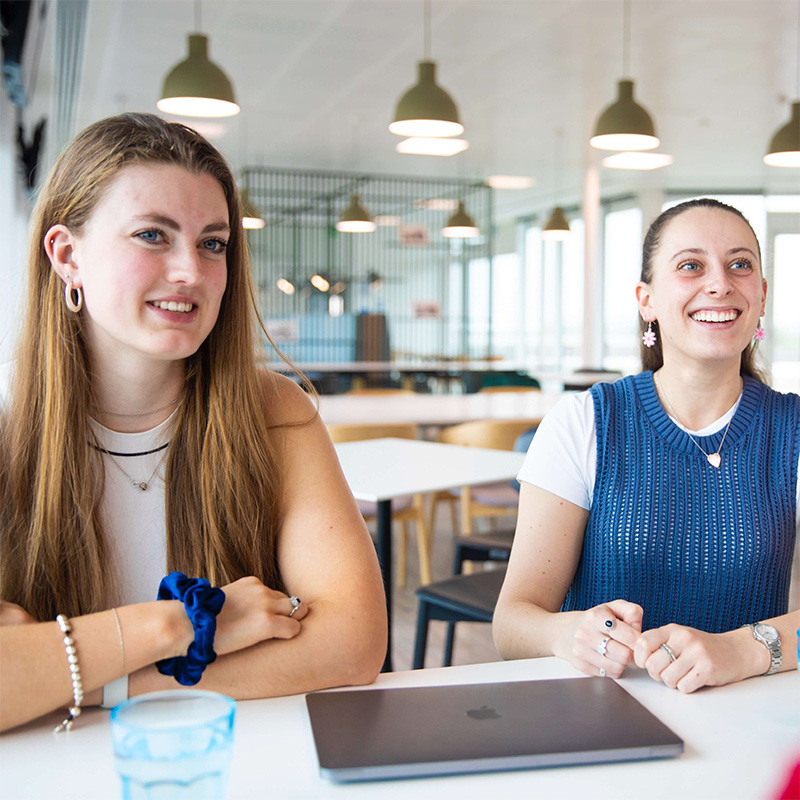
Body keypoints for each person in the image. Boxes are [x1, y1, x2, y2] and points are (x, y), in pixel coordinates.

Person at [0, 113, 387, 733]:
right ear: (67, 256)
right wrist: (182, 625)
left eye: (213, 243)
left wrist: (75, 676)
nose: (191, 272)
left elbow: (353, 642)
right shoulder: (7, 429)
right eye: (152, 235)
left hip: (235, 761)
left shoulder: (274, 413)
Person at [493, 198, 799, 693]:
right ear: (647, 300)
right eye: (691, 266)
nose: (720, 284)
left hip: (747, 718)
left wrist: (742, 650)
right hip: (602, 711)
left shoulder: (793, 429)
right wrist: (566, 633)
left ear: (761, 296)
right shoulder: (584, 422)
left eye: (740, 265)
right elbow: (511, 624)